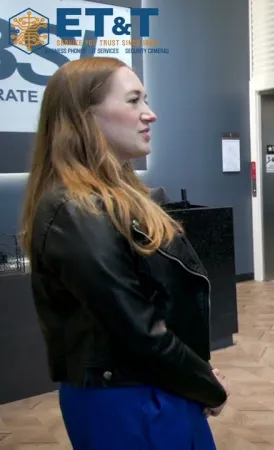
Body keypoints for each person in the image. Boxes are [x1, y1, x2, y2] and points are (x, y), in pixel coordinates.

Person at [18, 57, 230, 449]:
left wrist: (195, 375)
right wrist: (206, 385)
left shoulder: (116, 197)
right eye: (134, 101)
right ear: (84, 116)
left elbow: (157, 306)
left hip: (160, 384)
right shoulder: (75, 210)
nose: (150, 114)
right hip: (128, 400)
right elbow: (136, 328)